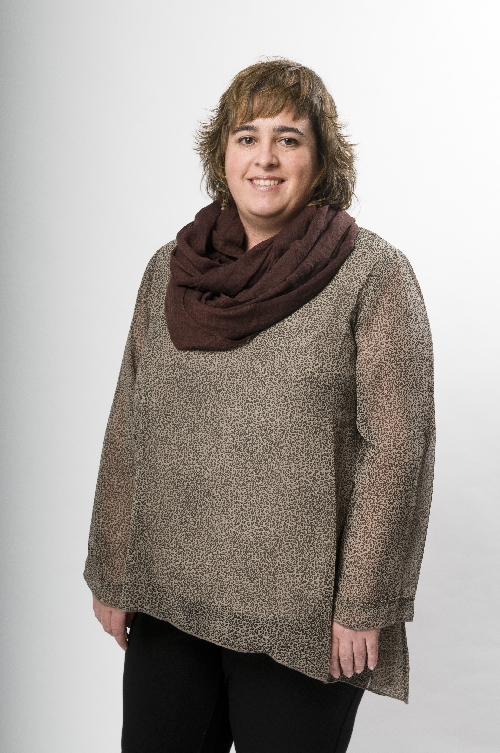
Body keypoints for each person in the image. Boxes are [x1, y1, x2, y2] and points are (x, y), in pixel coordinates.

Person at [84, 59, 435, 753]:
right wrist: (112, 567)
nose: (265, 158)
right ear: (222, 154)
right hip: (170, 593)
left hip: (301, 616)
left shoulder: (372, 275)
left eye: (288, 139)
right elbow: (130, 422)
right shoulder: (170, 271)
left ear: (321, 159)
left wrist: (364, 600)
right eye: (247, 137)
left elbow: (397, 447)